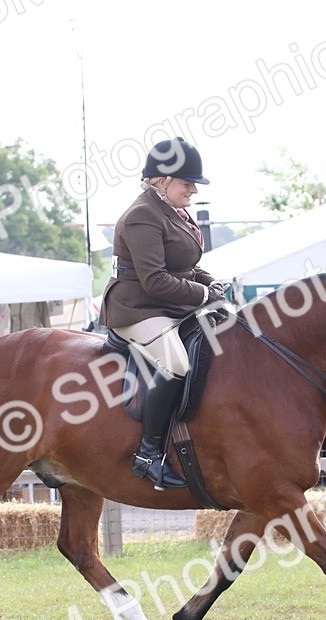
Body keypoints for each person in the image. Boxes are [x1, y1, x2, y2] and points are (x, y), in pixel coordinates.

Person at [99, 137, 227, 490]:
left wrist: (212, 284)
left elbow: (185, 266)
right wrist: (202, 294)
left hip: (170, 305)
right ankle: (149, 454)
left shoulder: (175, 213)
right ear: (161, 181)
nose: (193, 190)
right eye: (187, 183)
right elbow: (155, 280)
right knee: (177, 364)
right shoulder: (142, 216)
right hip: (137, 310)